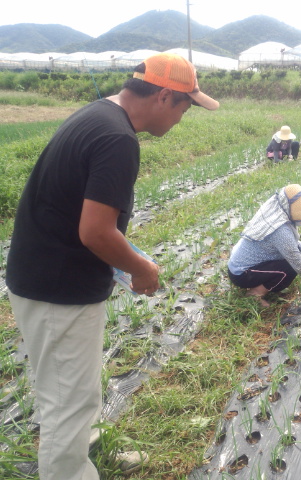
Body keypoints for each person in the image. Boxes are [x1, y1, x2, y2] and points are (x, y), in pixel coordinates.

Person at [5, 53, 219, 480]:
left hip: (46, 274)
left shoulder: (98, 114)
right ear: (164, 96)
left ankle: (86, 450)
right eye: (186, 106)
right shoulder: (117, 140)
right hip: (57, 288)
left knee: (74, 387)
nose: (183, 118)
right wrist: (141, 268)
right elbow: (96, 232)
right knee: (68, 401)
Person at [227, 184, 301, 307]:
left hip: (239, 265)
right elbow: (300, 266)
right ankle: (255, 294)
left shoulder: (277, 215)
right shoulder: (279, 229)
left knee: (287, 262)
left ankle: (260, 284)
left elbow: (287, 244)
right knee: (289, 268)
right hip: (241, 273)